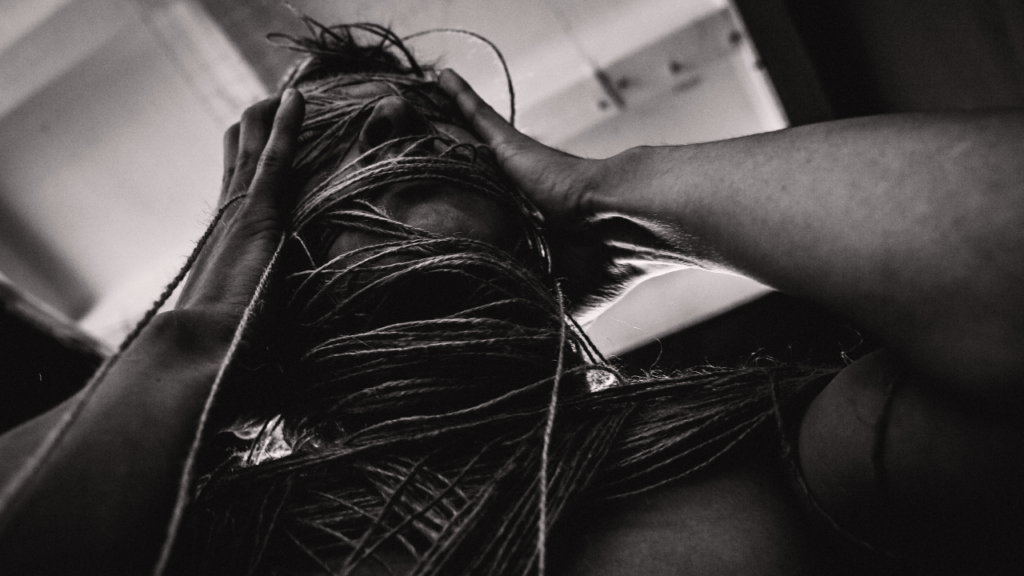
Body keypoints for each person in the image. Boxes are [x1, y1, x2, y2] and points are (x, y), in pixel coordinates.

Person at [1, 20, 1022, 576]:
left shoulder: (747, 453)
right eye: (327, 153)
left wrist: (616, 193)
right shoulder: (219, 544)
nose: (391, 141)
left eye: (425, 132)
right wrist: (198, 334)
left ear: (526, 214)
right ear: (263, 244)